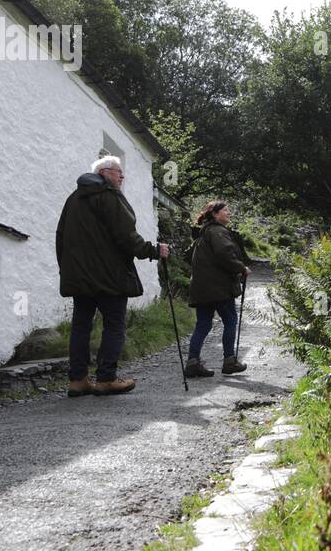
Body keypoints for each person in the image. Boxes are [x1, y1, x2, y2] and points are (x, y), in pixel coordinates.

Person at [56, 155, 170, 397]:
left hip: (80, 278)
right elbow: (126, 236)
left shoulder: (73, 199)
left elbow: (60, 237)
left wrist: (67, 270)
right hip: (110, 276)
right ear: (105, 172)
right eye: (119, 172)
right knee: (114, 325)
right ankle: (106, 379)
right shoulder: (109, 195)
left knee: (80, 327)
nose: (122, 176)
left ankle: (78, 380)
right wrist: (153, 251)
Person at [184, 201, 251, 377]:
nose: (229, 213)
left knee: (203, 325)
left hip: (201, 288)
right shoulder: (218, 232)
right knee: (230, 321)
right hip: (219, 288)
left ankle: (193, 362)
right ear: (215, 214)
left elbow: (191, 257)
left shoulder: (203, 233)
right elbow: (224, 254)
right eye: (225, 210)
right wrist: (241, 268)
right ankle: (229, 361)